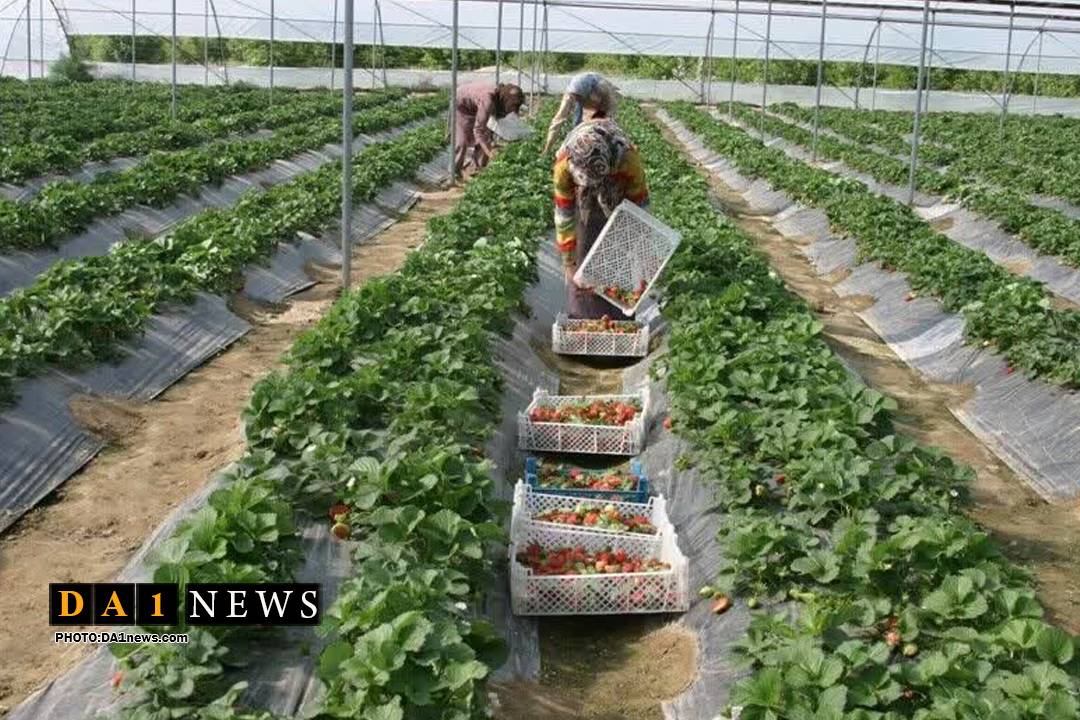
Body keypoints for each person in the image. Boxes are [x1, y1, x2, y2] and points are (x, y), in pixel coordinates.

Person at [553, 118, 649, 319]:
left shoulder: (627, 160)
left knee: (622, 251)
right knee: (584, 245)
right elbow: (564, 215)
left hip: (618, 191)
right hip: (584, 195)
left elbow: (640, 208)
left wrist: (639, 251)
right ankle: (582, 316)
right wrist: (569, 263)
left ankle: (620, 316)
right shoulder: (564, 165)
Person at [453, 81, 525, 175]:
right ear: (506, 99)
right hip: (462, 104)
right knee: (462, 141)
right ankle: (455, 171)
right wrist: (489, 153)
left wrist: (512, 139)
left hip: (478, 104)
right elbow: (478, 131)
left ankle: (477, 168)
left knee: (486, 138)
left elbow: (498, 123)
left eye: (515, 105)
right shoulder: (488, 101)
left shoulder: (501, 99)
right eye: (512, 104)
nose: (513, 108)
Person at [542, 72, 618, 155]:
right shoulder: (571, 94)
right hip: (586, 93)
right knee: (577, 126)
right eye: (575, 97)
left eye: (579, 97)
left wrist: (590, 131)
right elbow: (558, 119)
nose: (576, 100)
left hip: (599, 95)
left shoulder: (600, 93)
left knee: (598, 128)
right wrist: (547, 148)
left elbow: (602, 116)